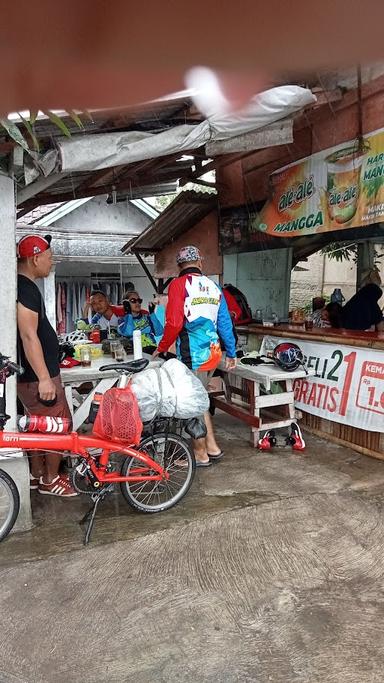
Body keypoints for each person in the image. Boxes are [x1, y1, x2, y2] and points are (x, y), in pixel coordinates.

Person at [153, 245, 237, 467]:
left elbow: (173, 323)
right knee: (201, 400)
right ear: (200, 263)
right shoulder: (213, 286)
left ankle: (199, 453)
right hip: (213, 353)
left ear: (180, 265)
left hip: (193, 355)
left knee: (191, 402)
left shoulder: (179, 285)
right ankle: (212, 447)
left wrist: (161, 346)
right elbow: (225, 323)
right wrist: (232, 351)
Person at [16, 234, 77, 496]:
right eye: (50, 258)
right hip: (36, 375)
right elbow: (28, 335)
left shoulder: (24, 286)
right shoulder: (25, 288)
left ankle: (36, 475)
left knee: (38, 426)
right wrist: (43, 377)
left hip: (33, 375)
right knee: (59, 426)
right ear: (35, 258)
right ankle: (51, 479)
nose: (52, 263)